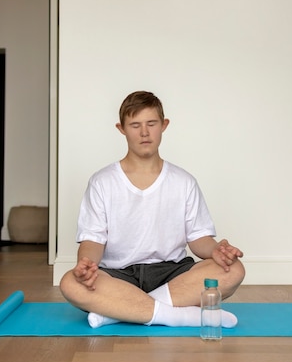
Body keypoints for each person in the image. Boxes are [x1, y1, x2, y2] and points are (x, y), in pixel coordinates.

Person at [59, 90, 245, 328]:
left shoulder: (183, 181)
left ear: (164, 125)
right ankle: (177, 315)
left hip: (172, 274)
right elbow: (93, 241)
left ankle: (118, 311)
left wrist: (217, 250)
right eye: (135, 125)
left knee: (234, 270)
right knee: (70, 283)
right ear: (121, 129)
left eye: (151, 123)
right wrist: (86, 264)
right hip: (119, 276)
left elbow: (198, 238)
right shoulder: (102, 182)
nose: (144, 133)